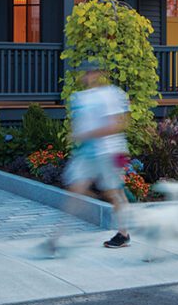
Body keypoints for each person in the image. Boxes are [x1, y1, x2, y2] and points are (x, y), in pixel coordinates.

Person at [43, 58, 132, 254]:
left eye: (93, 72)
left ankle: (123, 234)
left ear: (101, 74)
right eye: (86, 72)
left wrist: (87, 134)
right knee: (76, 191)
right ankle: (56, 239)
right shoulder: (80, 98)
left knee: (114, 194)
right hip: (87, 153)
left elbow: (118, 125)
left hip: (109, 151)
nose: (88, 76)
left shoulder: (113, 95)